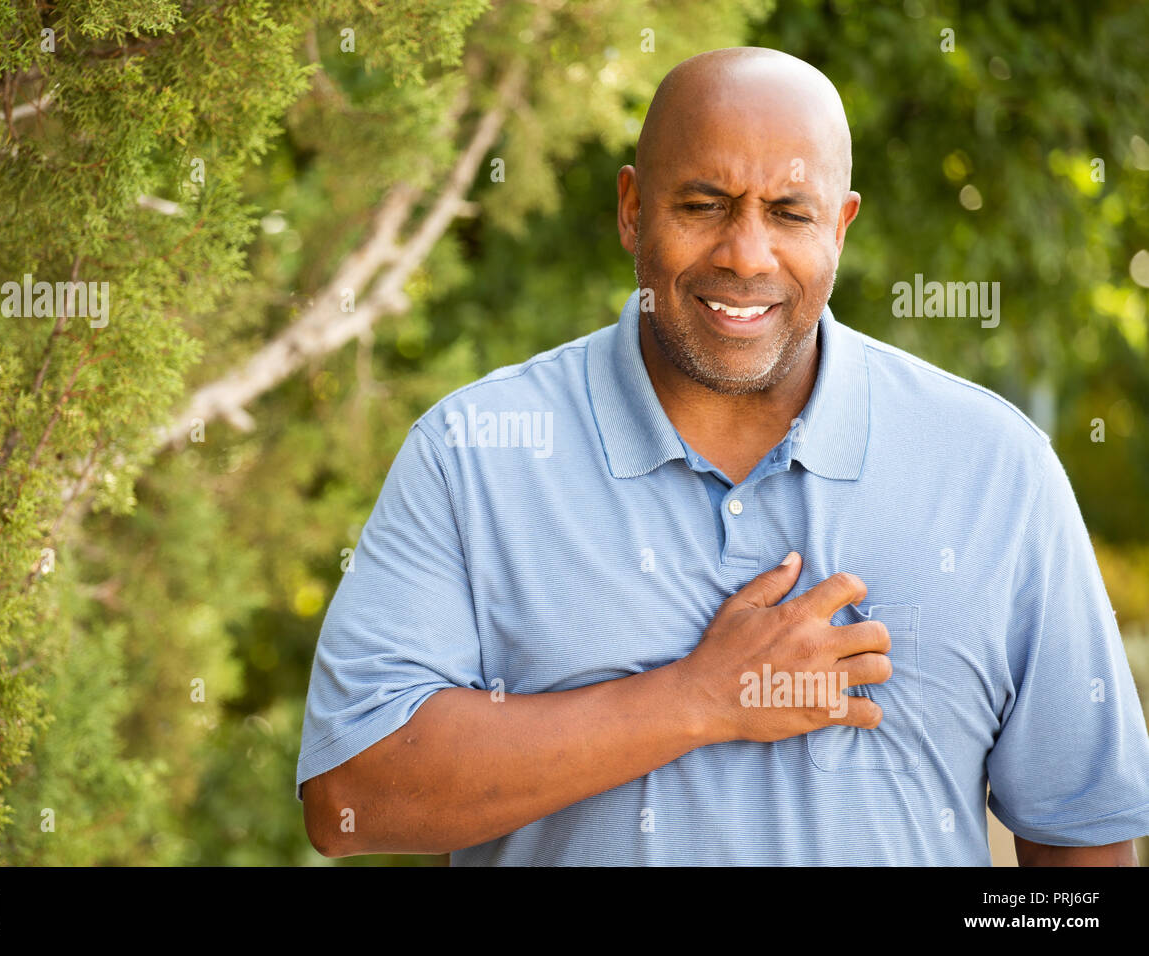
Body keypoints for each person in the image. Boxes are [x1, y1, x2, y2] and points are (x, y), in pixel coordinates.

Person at [295, 47, 1149, 865]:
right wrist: (700, 700)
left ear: (841, 226)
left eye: (790, 212)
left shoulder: (996, 468)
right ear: (633, 209)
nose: (746, 254)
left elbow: (1081, 835)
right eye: (702, 205)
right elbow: (348, 795)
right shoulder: (472, 454)